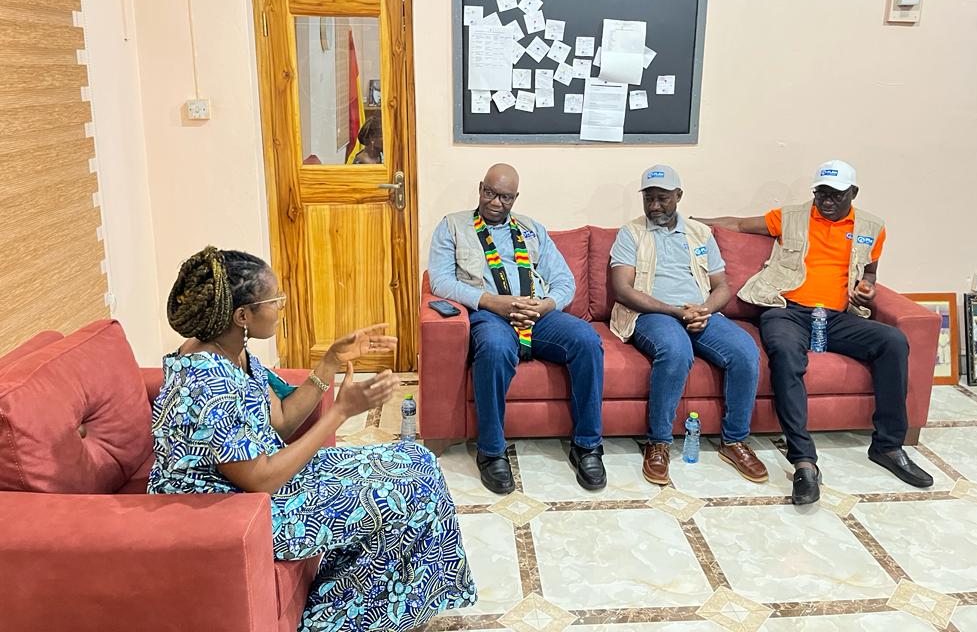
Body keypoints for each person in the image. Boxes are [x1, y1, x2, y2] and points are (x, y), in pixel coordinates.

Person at [149, 247, 476, 632]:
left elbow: (280, 422)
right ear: (243, 316)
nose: (281, 306)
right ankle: (339, 621)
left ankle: (359, 608)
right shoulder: (207, 380)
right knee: (398, 495)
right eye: (274, 300)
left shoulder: (233, 351)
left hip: (261, 480)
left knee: (417, 462)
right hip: (228, 510)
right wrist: (339, 411)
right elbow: (262, 479)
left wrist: (329, 363)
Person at [699, 160, 933, 505]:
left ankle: (888, 446)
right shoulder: (791, 216)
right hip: (786, 310)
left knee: (893, 341)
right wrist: (690, 221)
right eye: (821, 193)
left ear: (852, 193)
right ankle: (804, 461)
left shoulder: (872, 227)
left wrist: (866, 287)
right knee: (785, 353)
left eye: (836, 195)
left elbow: (869, 272)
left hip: (836, 317)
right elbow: (736, 224)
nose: (827, 201)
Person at [428, 163, 606, 494]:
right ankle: (492, 451)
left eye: (505, 197)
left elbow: (564, 279)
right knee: (494, 350)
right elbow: (439, 280)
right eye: (489, 193)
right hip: (491, 314)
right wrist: (492, 302)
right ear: (480, 187)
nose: (496, 202)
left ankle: (587, 445)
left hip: (537, 312)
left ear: (516, 198)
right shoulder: (452, 226)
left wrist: (547, 304)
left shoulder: (532, 229)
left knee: (587, 340)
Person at [609, 165, 766, 486]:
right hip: (652, 314)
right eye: (649, 199)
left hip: (700, 312)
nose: (655, 206)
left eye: (663, 198)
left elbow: (722, 285)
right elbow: (623, 290)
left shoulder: (700, 234)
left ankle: (734, 440)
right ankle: (659, 443)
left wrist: (704, 309)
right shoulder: (631, 233)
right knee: (676, 351)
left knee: (745, 351)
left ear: (678, 196)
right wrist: (676, 312)